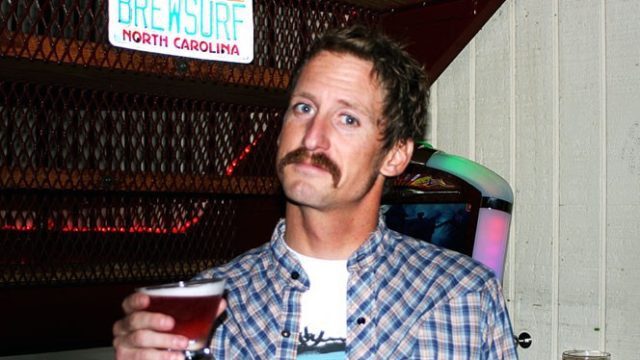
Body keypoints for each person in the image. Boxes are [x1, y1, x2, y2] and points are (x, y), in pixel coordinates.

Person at [113, 25, 518, 359]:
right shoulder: (209, 312)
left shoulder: (463, 297)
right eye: (304, 108)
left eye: (346, 118)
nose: (313, 136)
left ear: (395, 155)